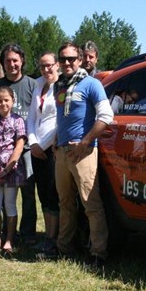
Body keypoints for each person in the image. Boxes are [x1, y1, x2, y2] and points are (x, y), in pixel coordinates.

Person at [53, 41, 114, 267]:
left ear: (80, 60)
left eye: (71, 59)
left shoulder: (91, 84)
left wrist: (86, 141)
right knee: (65, 203)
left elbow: (106, 116)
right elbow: (61, 118)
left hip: (84, 153)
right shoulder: (58, 86)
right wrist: (55, 141)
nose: (66, 63)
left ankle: (98, 253)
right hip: (62, 152)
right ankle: (64, 248)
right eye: (63, 59)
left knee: (91, 204)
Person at [0, 43, 38, 245]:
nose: (12, 64)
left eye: (15, 60)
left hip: (26, 149)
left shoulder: (32, 85)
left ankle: (28, 233)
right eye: (8, 61)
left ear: (22, 61)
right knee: (4, 193)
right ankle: (7, 234)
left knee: (28, 193)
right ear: (3, 63)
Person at [0, 86, 27, 254]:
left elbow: (19, 145)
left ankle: (9, 239)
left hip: (11, 169)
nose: (3, 103)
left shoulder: (18, 121)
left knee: (10, 205)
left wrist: (7, 169)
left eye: (6, 100)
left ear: (13, 101)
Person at [27, 52, 60, 255]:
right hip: (36, 147)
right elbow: (31, 118)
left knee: (53, 194)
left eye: (49, 65)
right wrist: (33, 143)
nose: (46, 69)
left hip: (51, 149)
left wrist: (44, 145)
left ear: (57, 65)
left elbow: (59, 120)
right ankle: (47, 235)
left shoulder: (62, 87)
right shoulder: (38, 85)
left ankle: (54, 238)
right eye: (42, 66)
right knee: (43, 195)